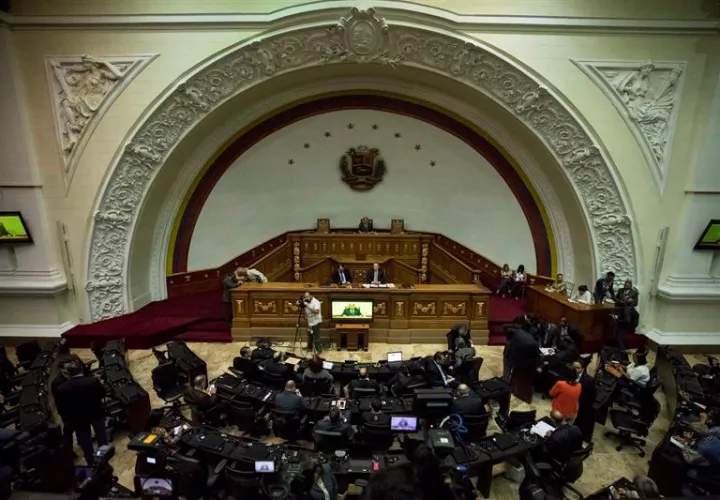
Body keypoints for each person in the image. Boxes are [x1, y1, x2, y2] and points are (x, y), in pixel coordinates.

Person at [53, 361, 108, 465]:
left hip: (78, 418)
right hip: (95, 413)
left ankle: (91, 461)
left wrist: (68, 419)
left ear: (69, 373)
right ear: (81, 370)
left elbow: (62, 407)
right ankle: (103, 457)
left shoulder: (61, 389)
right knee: (101, 435)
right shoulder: (92, 381)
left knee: (85, 440)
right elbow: (102, 393)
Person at [573, 361, 597, 443]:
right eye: (573, 367)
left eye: (577, 368)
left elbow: (592, 396)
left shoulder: (589, 381)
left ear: (582, 369)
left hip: (581, 405)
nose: (574, 369)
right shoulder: (567, 373)